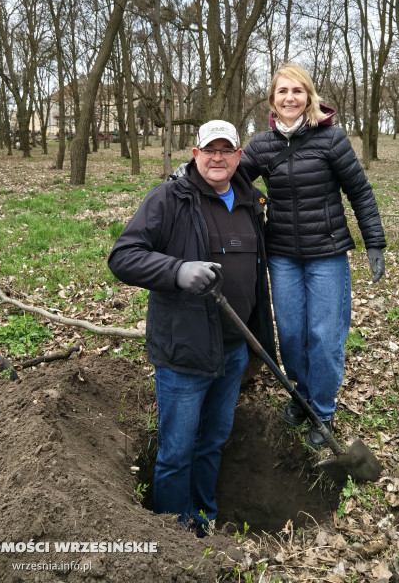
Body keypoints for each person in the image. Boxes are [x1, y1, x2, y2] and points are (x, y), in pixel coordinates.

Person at [108, 120, 275, 536]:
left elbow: (258, 275)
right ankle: (170, 534)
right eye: (209, 150)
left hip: (234, 350)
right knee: (177, 452)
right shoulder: (170, 198)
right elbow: (123, 256)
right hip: (184, 352)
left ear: (239, 156)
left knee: (213, 443)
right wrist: (177, 270)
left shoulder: (252, 202)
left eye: (226, 150)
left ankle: (203, 518)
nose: (217, 158)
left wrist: (260, 344)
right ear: (195, 153)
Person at [241, 64, 386, 450]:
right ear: (273, 100)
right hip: (283, 255)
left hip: (327, 254)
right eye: (282, 91)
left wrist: (374, 242)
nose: (290, 98)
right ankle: (301, 395)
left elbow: (360, 191)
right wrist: (190, 175)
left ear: (310, 97)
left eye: (298, 91)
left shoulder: (332, 139)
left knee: (324, 336)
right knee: (290, 334)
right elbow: (228, 175)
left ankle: (321, 409)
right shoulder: (261, 145)